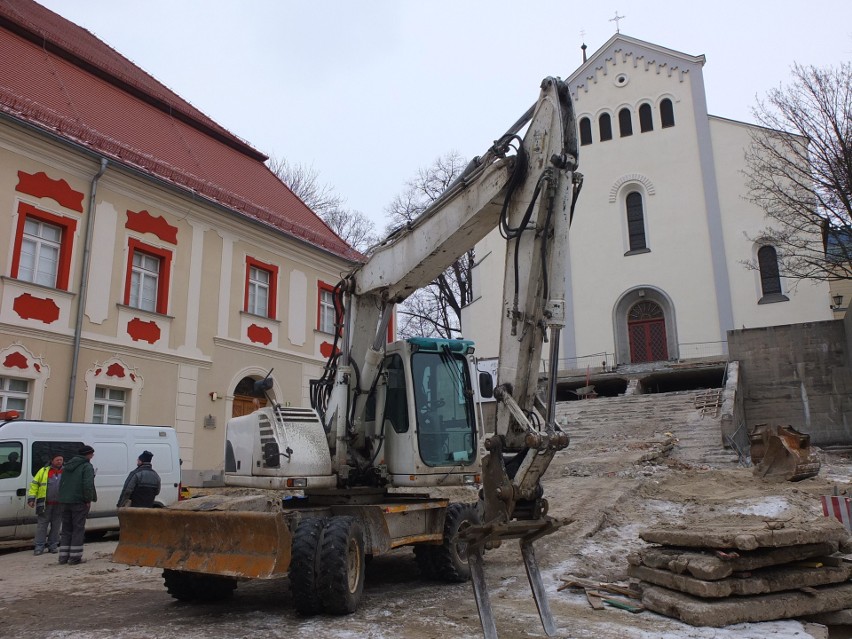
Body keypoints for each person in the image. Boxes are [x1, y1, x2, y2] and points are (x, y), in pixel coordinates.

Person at [57, 445, 97, 565]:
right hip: (79, 501)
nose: (93, 456)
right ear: (88, 454)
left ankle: (63, 557)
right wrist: (88, 499)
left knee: (66, 529)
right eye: (92, 454)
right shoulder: (87, 466)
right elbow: (87, 485)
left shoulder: (67, 465)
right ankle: (75, 557)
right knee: (78, 529)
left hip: (65, 501)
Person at [27, 454, 64, 555]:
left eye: (61, 460)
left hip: (60, 504)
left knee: (56, 526)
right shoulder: (43, 471)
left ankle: (53, 545)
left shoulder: (65, 472)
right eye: (57, 460)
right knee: (42, 526)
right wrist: (31, 498)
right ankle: (39, 546)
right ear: (52, 460)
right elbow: (34, 485)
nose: (59, 462)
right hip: (44, 503)